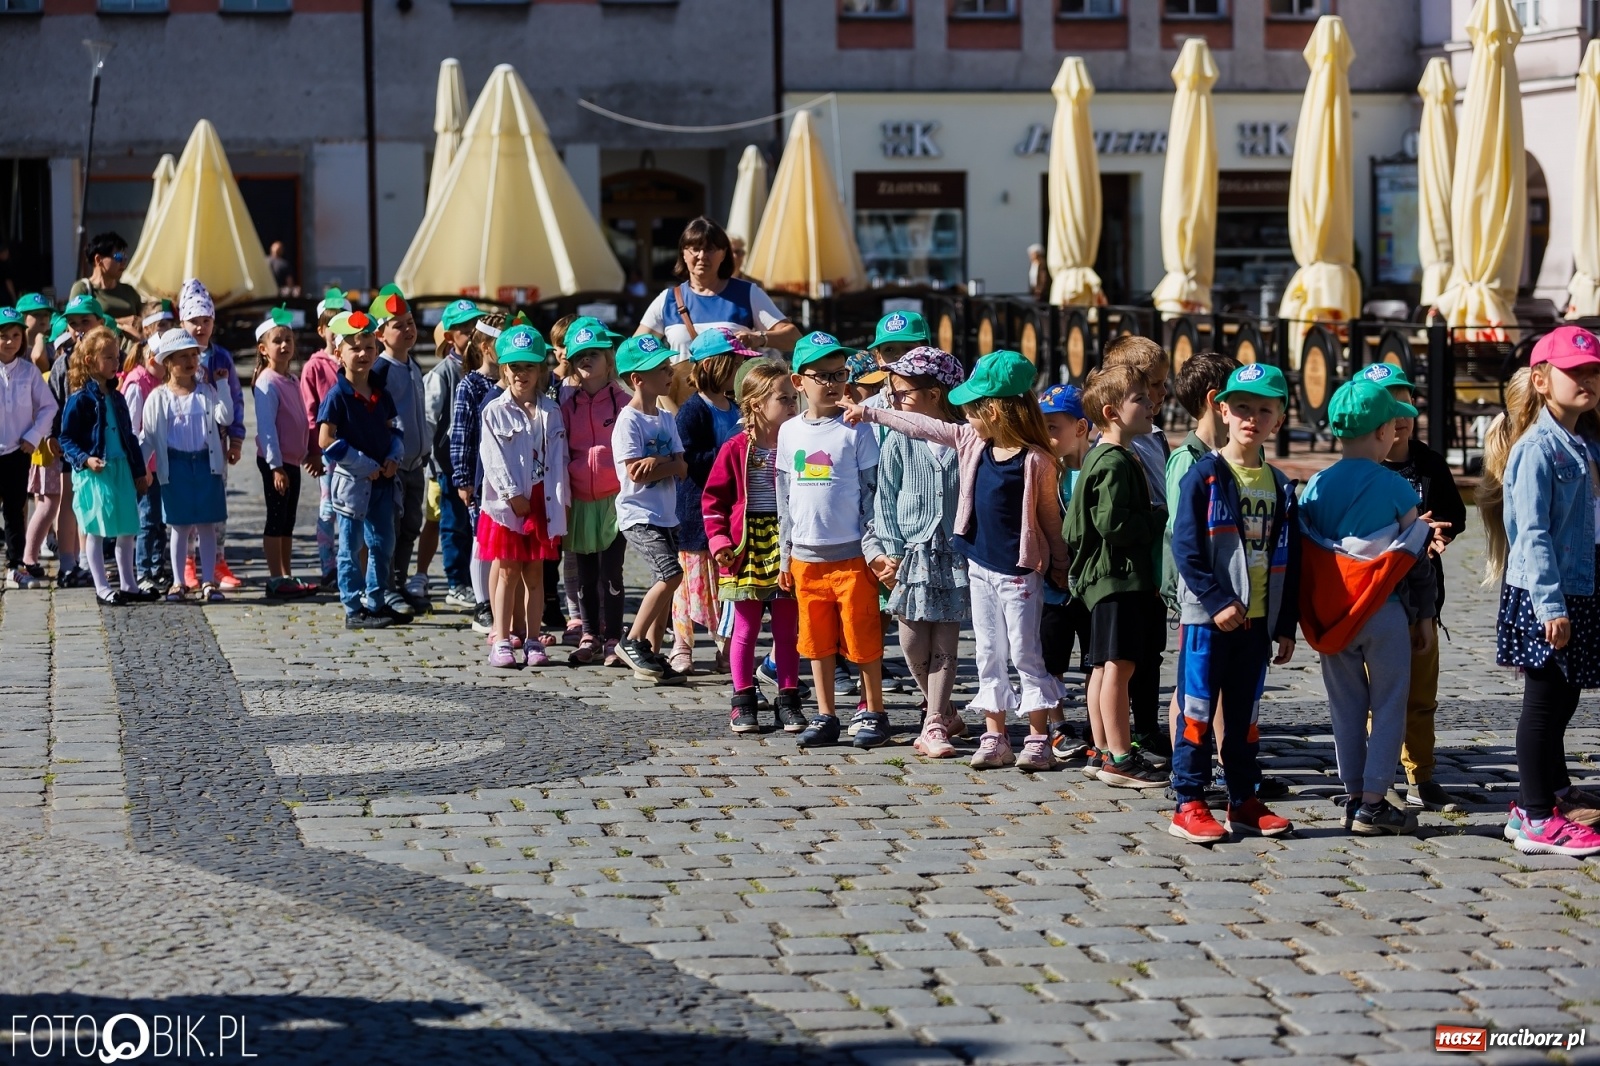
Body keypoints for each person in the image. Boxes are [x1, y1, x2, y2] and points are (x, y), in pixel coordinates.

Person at [850, 350, 1067, 770]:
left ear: (998, 410)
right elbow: (921, 424)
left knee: (1025, 654)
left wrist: (1059, 563)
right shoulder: (971, 441)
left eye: (973, 408)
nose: (965, 414)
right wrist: (870, 414)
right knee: (988, 652)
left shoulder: (1037, 460)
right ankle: (995, 735)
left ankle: (1039, 737)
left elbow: (1049, 520)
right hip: (980, 569)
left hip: (1020, 574)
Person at [1298, 379, 1443, 836]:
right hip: (1385, 611)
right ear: (1385, 432)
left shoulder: (1316, 485)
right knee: (1388, 702)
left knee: (1344, 706)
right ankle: (1377, 800)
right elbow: (1414, 559)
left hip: (1335, 614)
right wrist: (1422, 616)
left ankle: (1354, 791)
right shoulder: (1397, 488)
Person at [1168, 363, 1300, 843]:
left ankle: (1243, 799)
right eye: (1242, 407)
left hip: (1257, 624)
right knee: (1198, 713)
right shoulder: (1205, 476)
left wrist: (1285, 624)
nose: (1252, 417)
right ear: (1221, 409)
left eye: (1264, 410)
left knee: (1244, 719)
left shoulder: (1281, 485)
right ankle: (1189, 800)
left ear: (1279, 419)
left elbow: (1293, 558)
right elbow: (1185, 547)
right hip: (1209, 620)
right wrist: (1215, 598)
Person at [1488, 327, 1600, 856]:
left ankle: (1552, 793)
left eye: (1594, 372)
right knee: (1544, 704)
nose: (1588, 380)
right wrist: (1550, 605)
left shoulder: (1583, 441)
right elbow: (1530, 534)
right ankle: (1533, 816)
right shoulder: (1536, 448)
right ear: (1540, 379)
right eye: (1575, 371)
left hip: (1579, 589)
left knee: (1564, 698)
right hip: (1546, 594)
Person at [1357, 361, 1470, 814]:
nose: (1400, 413)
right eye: (1389, 403)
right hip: (1376, 601)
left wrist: (1441, 534)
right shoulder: (1360, 466)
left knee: (1421, 697)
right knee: (1378, 697)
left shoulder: (1428, 462)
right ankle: (1375, 778)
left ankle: (1421, 774)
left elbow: (1454, 515)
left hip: (1423, 601)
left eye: (1405, 401)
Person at [778, 332, 886, 748]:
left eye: (839, 374)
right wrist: (786, 553)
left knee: (861, 637)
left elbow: (870, 492)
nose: (832, 383)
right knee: (817, 642)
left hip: (851, 556)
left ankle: (873, 709)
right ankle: (826, 715)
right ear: (798, 382)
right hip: (806, 557)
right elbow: (786, 496)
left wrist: (873, 547)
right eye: (821, 375)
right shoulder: (789, 433)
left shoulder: (854, 429)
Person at [862, 347, 970, 759]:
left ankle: (934, 723)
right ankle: (944, 712)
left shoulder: (965, 440)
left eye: (903, 392)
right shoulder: (901, 441)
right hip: (909, 551)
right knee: (910, 639)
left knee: (945, 639)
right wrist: (888, 552)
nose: (895, 401)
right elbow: (885, 499)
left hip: (951, 551)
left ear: (935, 394)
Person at [1065, 364, 1168, 788]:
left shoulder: (1101, 455)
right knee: (1120, 667)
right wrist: (1157, 519)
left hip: (1105, 580)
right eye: (1140, 400)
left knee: (1102, 668)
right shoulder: (1114, 460)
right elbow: (1112, 524)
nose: (1150, 406)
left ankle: (1104, 749)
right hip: (1119, 578)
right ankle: (1122, 758)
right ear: (1111, 412)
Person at [703, 360, 804, 733]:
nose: (793, 406)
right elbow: (713, 500)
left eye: (794, 398)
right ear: (757, 403)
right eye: (784, 399)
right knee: (744, 627)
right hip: (747, 544)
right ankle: (743, 699)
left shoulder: (797, 443)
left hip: (785, 541)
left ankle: (788, 699)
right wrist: (718, 540)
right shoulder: (734, 448)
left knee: (786, 629)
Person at [1100, 334, 1174, 764]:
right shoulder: (1112, 441)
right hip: (1131, 556)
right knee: (1123, 655)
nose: (1162, 396)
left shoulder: (1155, 434)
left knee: (1151, 648)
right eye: (1156, 387)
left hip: (1155, 553)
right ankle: (1128, 735)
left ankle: (1146, 724)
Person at [477, 323, 568, 669]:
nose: (521, 374)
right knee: (507, 572)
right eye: (515, 366)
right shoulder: (494, 411)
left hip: (543, 501)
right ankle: (501, 638)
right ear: (505, 369)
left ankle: (533, 638)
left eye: (529, 366)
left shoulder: (551, 411)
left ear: (541, 370)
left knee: (536, 574)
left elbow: (559, 460)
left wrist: (562, 504)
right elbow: (492, 458)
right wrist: (512, 494)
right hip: (508, 504)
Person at [670, 327, 752, 674]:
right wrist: (726, 455)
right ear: (715, 366)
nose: (736, 372)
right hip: (695, 509)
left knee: (725, 583)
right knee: (690, 585)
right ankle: (682, 645)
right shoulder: (693, 411)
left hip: (728, 510)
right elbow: (688, 458)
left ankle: (725, 648)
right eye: (732, 365)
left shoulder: (733, 407)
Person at [610, 335, 690, 686]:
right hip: (639, 514)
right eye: (661, 369)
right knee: (671, 574)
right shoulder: (628, 421)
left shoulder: (666, 417)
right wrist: (666, 462)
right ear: (637, 379)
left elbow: (682, 466)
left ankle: (653, 655)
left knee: (668, 585)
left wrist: (659, 461)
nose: (669, 372)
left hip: (666, 513)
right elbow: (634, 473)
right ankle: (630, 641)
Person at [318, 310, 403, 630]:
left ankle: (376, 600)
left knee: (383, 543)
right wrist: (361, 463)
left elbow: (393, 428)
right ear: (340, 353)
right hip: (353, 485)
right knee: (351, 547)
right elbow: (326, 439)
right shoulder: (338, 395)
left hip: (382, 481)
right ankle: (353, 606)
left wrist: (394, 455)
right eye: (354, 347)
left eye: (368, 346)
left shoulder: (380, 391)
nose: (363, 354)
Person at [58, 327, 150, 605]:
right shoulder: (80, 400)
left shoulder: (118, 397)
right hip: (94, 472)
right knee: (96, 529)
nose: (116, 363)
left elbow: (129, 437)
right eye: (108, 358)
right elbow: (66, 437)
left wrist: (139, 471)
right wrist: (85, 459)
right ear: (90, 361)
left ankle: (128, 584)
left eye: (117, 356)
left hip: (120, 467)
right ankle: (101, 587)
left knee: (127, 527)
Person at [140, 327, 232, 603]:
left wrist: (224, 386)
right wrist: (140, 468)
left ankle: (208, 581)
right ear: (168, 362)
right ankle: (179, 581)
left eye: (194, 355)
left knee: (207, 525)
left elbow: (225, 418)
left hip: (206, 464)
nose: (191, 361)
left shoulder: (206, 392)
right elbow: (149, 436)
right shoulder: (158, 398)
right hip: (176, 465)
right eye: (182, 357)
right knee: (179, 526)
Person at [559, 317, 630, 667]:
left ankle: (613, 636)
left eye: (594, 353)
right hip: (580, 499)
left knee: (611, 572)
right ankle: (589, 632)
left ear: (609, 358)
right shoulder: (566, 403)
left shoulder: (623, 401)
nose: (587, 360)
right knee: (585, 573)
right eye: (579, 355)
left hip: (614, 499)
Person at [634, 216, 798, 359]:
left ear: (724, 253)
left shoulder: (748, 293)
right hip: (682, 395)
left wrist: (758, 338)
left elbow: (794, 338)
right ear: (683, 253)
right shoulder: (668, 299)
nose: (702, 256)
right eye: (695, 249)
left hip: (734, 394)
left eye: (710, 249)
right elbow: (635, 349)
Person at [1037, 383, 1093, 760]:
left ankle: (1098, 724)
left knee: (1095, 660)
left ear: (1081, 428)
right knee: (1050, 659)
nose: (1048, 436)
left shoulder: (1096, 468)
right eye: (1044, 428)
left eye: (1054, 427)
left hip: (1090, 586)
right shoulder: (1044, 469)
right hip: (1052, 588)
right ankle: (1057, 725)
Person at [179, 279, 245, 590]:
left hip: (215, 442)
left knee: (216, 504)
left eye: (206, 321)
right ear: (182, 322)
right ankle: (188, 562)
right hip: (184, 443)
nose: (200, 327)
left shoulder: (222, 358)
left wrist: (236, 437)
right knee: (187, 505)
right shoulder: (176, 356)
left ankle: (217, 560)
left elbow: (236, 397)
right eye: (194, 321)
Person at [34, 293, 104, 589]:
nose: (79, 328)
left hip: (100, 445)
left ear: (100, 323)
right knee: (69, 503)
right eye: (73, 324)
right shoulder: (63, 364)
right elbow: (51, 403)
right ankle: (67, 565)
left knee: (96, 504)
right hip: (70, 446)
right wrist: (50, 434)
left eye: (85, 321)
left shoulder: (106, 359)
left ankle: (92, 563)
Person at [366, 288, 428, 617]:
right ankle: (386, 587)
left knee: (411, 526)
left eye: (410, 322)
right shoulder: (381, 371)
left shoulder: (413, 366)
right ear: (380, 333)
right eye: (398, 325)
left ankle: (400, 580)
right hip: (393, 466)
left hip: (415, 464)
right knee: (389, 527)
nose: (407, 329)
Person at [253, 308, 318, 598]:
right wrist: (275, 466)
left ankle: (286, 573)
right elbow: (268, 428)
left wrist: (305, 452)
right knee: (276, 518)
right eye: (277, 340)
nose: (284, 345)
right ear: (263, 349)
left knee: (288, 520)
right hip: (276, 462)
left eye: (288, 339)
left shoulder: (291, 380)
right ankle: (275, 576)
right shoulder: (266, 382)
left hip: (291, 460)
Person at [451, 312, 507, 636]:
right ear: (486, 347)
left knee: (500, 540)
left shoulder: (513, 380)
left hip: (506, 475)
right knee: (480, 539)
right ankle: (483, 604)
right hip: (479, 475)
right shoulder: (470, 386)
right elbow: (461, 433)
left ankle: (501, 600)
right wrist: (462, 478)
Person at [426, 299, 482, 611]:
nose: (473, 333)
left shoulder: (484, 368)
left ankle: (476, 579)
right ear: (450, 337)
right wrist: (432, 465)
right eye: (465, 329)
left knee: (476, 527)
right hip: (450, 466)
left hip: (480, 467)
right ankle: (455, 581)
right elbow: (430, 423)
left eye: (476, 326)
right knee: (454, 525)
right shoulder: (442, 374)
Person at [0, 306, 56, 589]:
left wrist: (33, 436)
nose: (10, 341)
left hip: (16, 452)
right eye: (3, 336)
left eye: (15, 335)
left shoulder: (28, 372)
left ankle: (14, 566)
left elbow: (48, 406)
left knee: (14, 510)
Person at [301, 288, 352, 587]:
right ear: (321, 330)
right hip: (328, 450)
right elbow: (309, 412)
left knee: (352, 506)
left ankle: (349, 562)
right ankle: (328, 566)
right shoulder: (315, 366)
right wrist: (312, 452)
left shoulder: (352, 361)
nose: (336, 334)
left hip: (355, 447)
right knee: (328, 507)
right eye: (330, 327)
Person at [121, 313, 170, 594]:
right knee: (147, 520)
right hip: (144, 466)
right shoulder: (138, 384)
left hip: (159, 464)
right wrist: (143, 467)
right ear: (152, 359)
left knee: (159, 520)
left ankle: (156, 567)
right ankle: (143, 571)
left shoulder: (157, 382)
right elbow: (133, 429)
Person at [69, 233, 143, 335]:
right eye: (118, 257)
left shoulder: (129, 291)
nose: (123, 262)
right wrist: (121, 321)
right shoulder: (83, 288)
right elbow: (73, 324)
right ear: (98, 260)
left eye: (125, 257)